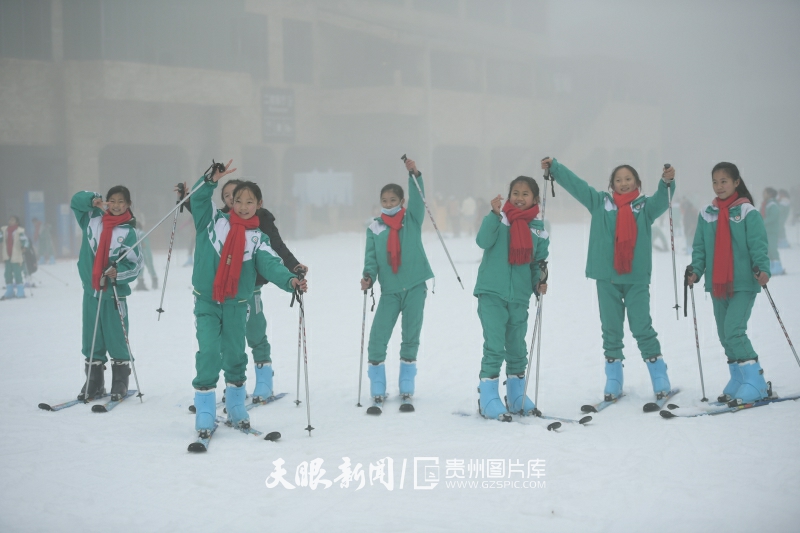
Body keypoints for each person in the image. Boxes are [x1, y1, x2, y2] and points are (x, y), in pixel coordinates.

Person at [541, 157, 676, 402]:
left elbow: (661, 199)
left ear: (637, 182)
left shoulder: (644, 207)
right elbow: (577, 185)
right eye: (618, 180)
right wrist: (556, 169)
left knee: (641, 326)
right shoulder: (600, 202)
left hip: (635, 278)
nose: (623, 183)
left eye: (628, 179)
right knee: (611, 330)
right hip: (606, 277)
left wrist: (667, 182)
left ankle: (659, 375)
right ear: (612, 183)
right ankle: (614, 378)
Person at [189, 161, 307, 437]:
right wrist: (209, 180)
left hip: (236, 304)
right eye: (238, 200)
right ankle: (205, 410)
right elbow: (197, 199)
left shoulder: (257, 238)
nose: (242, 206)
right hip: (207, 300)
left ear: (258, 204)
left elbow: (272, 264)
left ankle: (236, 405)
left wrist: (291, 281)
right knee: (208, 351)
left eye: (249, 202)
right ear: (230, 202)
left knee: (234, 354)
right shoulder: (212, 222)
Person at [687, 163, 771, 404]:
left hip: (744, 282)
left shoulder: (747, 212)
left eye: (724, 181)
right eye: (715, 181)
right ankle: (738, 378)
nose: (719, 186)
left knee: (734, 330)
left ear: (736, 182)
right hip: (718, 284)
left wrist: (763, 268)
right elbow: (700, 248)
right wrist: (695, 271)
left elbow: (758, 244)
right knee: (725, 335)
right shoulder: (707, 214)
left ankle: (755, 382)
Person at [361, 157, 433, 413]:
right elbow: (371, 258)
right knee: (378, 337)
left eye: (393, 200)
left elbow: (417, 194)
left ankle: (406, 384)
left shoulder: (411, 218)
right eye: (385, 201)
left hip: (415, 286)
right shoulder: (375, 228)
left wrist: (414, 173)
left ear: (401, 202)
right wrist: (368, 276)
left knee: (410, 336)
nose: (389, 204)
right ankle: (378, 387)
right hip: (390, 290)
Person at [474, 176, 549, 421]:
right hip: (492, 292)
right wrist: (493, 215)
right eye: (515, 193)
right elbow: (482, 241)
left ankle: (517, 395)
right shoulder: (500, 220)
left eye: (525, 194)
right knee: (495, 346)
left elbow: (538, 262)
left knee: (517, 347)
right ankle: (488, 398)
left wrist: (538, 281)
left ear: (535, 199)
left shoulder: (538, 229)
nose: (519, 198)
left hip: (519, 296)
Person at [70, 186, 144, 401]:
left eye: (121, 201)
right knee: (91, 335)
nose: (117, 205)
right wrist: (92, 200)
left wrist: (117, 273)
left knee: (116, 335)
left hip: (113, 293)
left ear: (128, 204)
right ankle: (94, 380)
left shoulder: (129, 232)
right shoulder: (92, 219)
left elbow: (135, 265)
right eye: (112, 201)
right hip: (92, 290)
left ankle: (120, 380)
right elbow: (76, 201)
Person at [0, 216, 30, 300]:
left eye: (13, 220)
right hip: (7, 255)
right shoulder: (4, 230)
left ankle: (20, 290)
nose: (10, 221)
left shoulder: (19, 231)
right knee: (7, 273)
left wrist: (24, 246)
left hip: (16, 255)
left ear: (17, 222)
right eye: (10, 219)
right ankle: (9, 290)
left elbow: (25, 240)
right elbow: (1, 238)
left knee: (17, 273)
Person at [761, 187, 784, 275]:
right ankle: (770, 265)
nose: (763, 195)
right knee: (767, 249)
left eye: (764, 193)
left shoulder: (772, 204)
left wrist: (763, 221)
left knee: (772, 248)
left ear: (769, 194)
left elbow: (773, 216)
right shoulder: (766, 203)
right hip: (766, 230)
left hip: (772, 230)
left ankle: (778, 267)